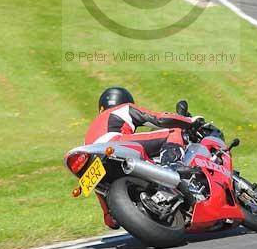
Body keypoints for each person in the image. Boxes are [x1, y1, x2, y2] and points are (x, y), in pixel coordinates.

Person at [85, 87, 207, 229]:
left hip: (91, 155)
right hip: (114, 143)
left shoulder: (91, 130)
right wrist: (189, 121)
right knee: (173, 132)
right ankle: (172, 166)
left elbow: (96, 184)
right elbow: (160, 119)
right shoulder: (123, 108)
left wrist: (107, 213)